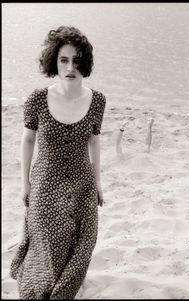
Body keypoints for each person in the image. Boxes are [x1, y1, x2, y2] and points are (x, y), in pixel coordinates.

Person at [10, 25, 106, 300]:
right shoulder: (38, 99)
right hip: (46, 180)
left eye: (77, 60)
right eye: (64, 59)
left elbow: (95, 141)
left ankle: (63, 293)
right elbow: (27, 141)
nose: (70, 66)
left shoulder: (97, 101)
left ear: (85, 63)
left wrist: (98, 182)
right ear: (54, 61)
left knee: (85, 242)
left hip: (82, 182)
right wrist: (25, 183)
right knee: (47, 242)